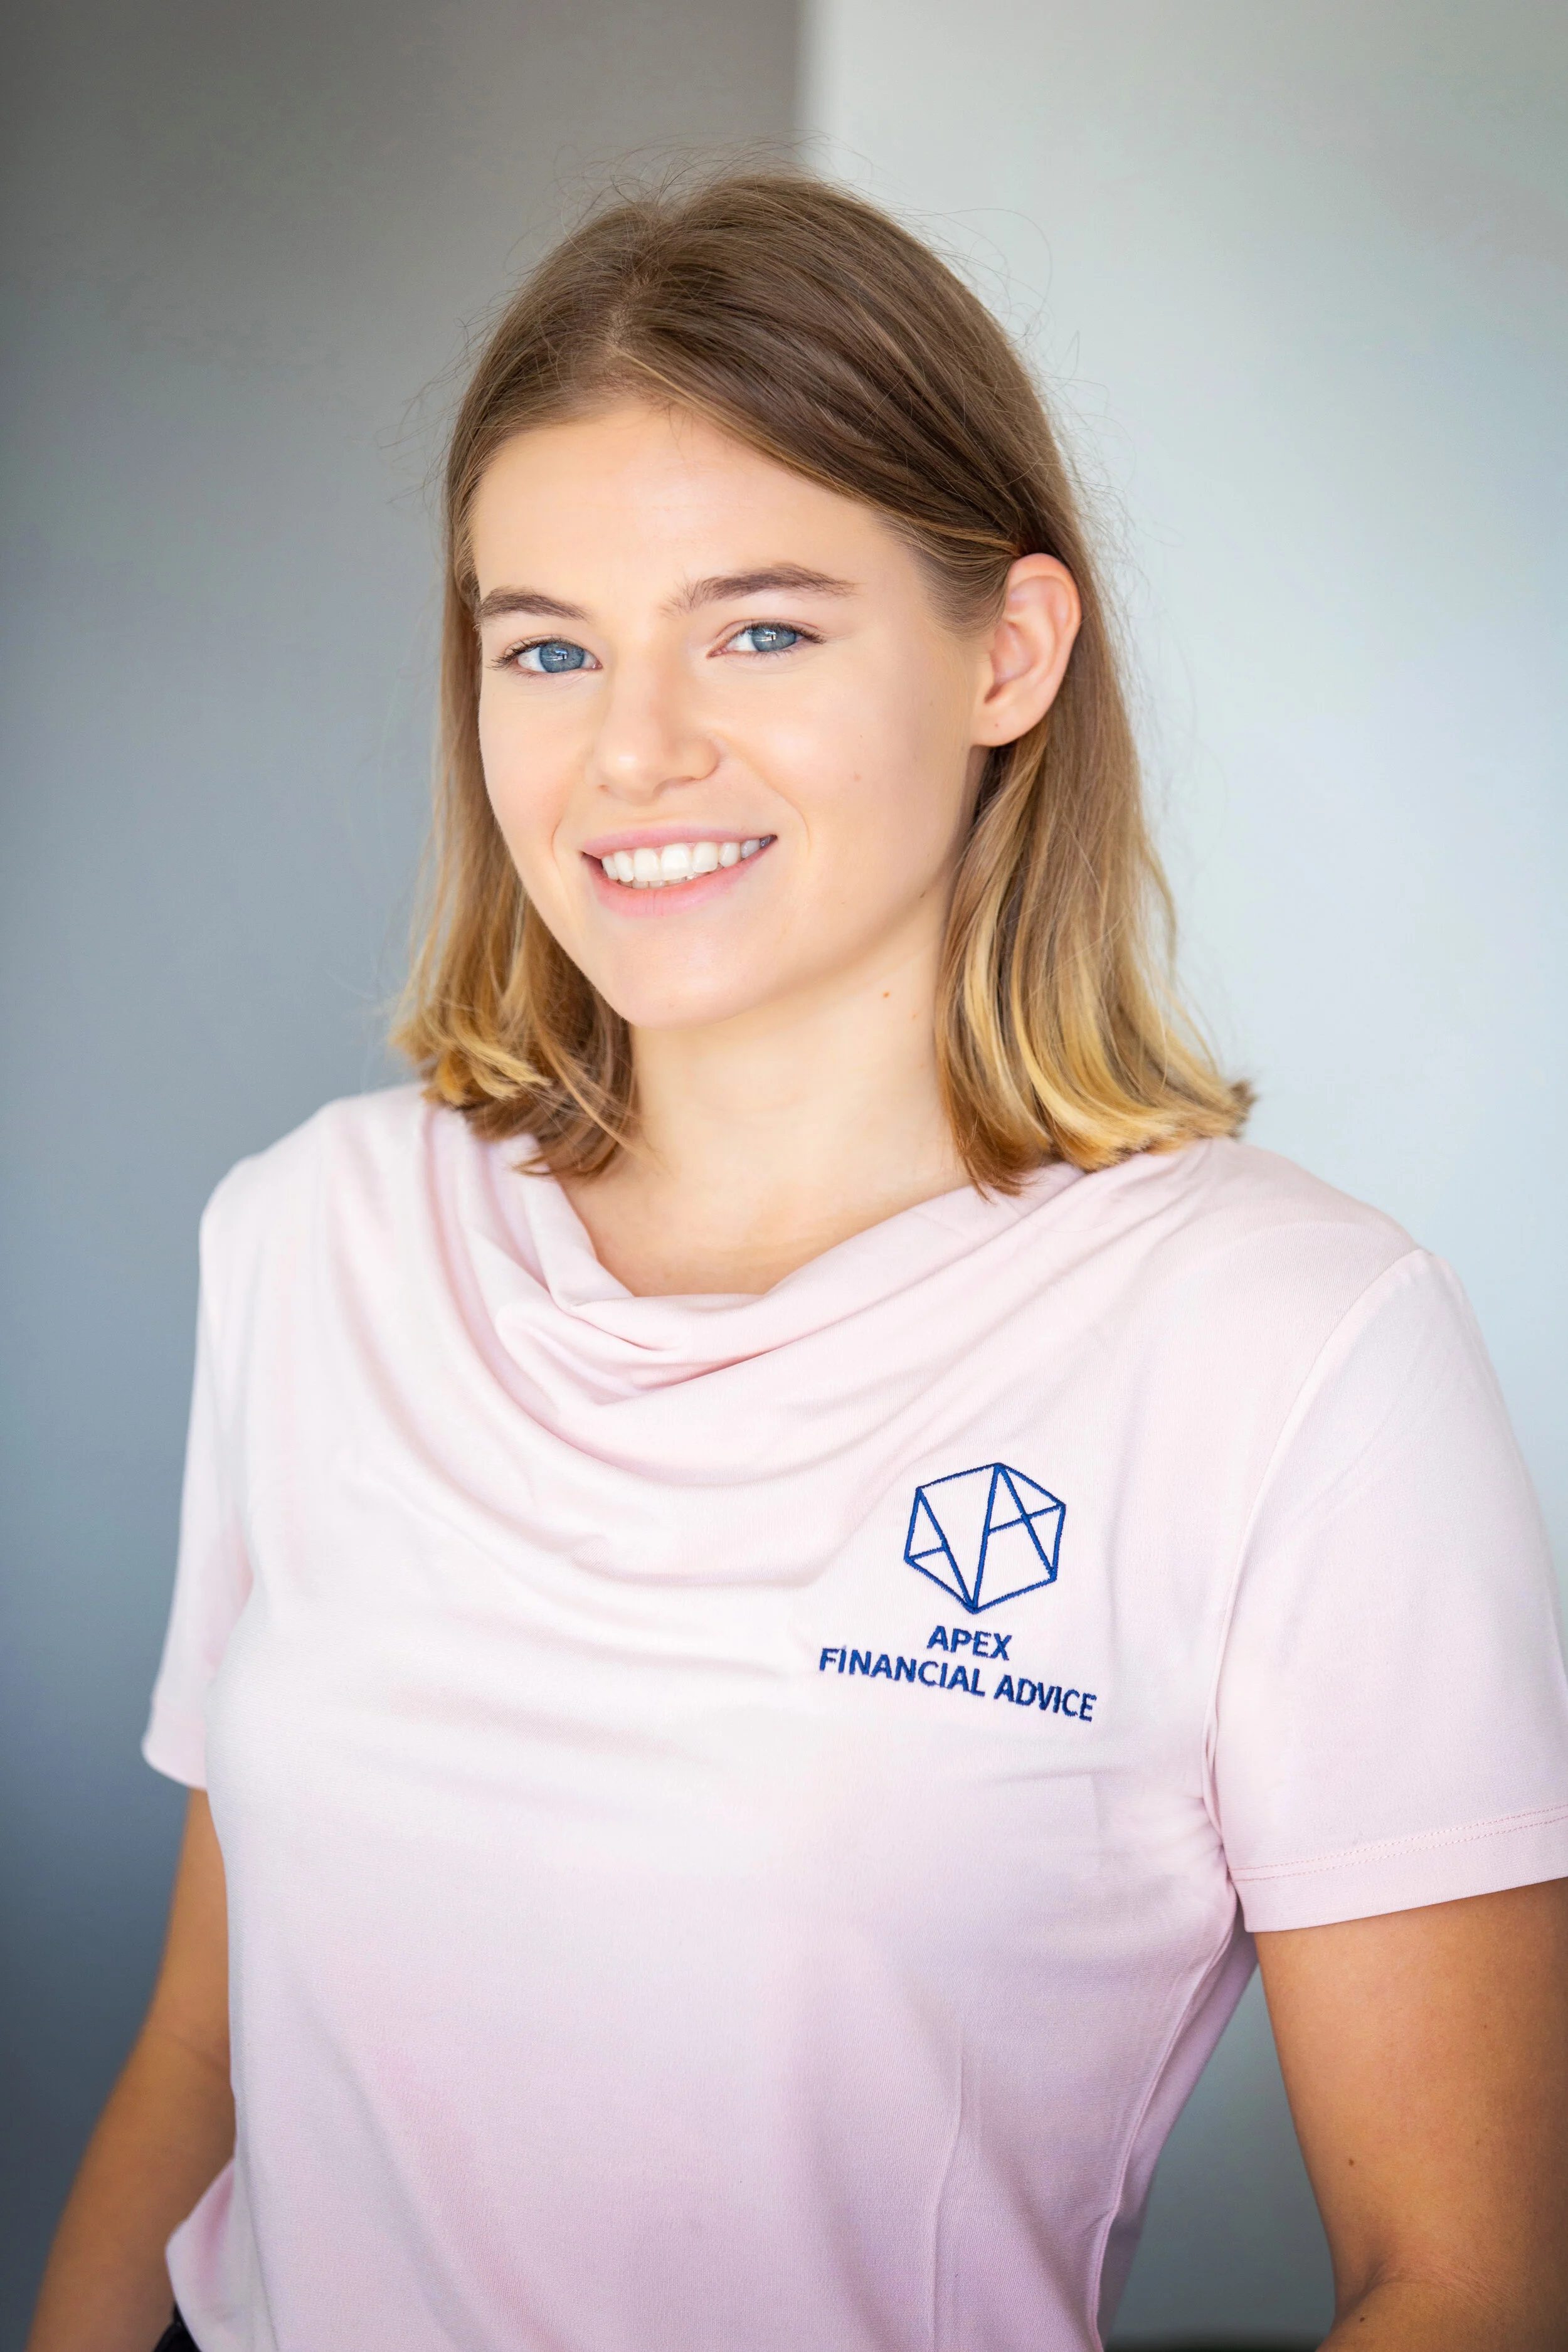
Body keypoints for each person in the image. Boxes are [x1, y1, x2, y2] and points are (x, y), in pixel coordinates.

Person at [26, 170, 1568, 2352]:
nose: (632, 750)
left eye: (757, 628)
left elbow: (1472, 2281)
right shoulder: (314, 1232)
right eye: (548, 646)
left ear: (1007, 652)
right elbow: (206, 2057)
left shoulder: (1291, 1348)